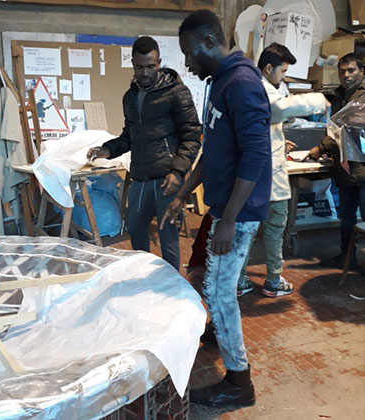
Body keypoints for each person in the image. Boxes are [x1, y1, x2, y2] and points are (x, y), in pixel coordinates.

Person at [161, 10, 272, 408]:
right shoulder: (220, 82)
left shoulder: (242, 83)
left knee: (220, 292)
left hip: (239, 212)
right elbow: (212, 151)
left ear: (209, 42)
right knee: (214, 284)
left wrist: (229, 220)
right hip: (226, 207)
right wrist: (182, 195)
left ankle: (239, 382)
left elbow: (256, 155)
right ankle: (218, 333)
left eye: (189, 53)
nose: (187, 64)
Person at [87, 36, 201, 271]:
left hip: (168, 179)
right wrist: (108, 149)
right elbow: (130, 135)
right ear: (133, 64)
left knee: (168, 237)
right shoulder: (129, 97)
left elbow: (192, 136)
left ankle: (171, 288)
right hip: (140, 177)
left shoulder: (176, 92)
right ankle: (145, 278)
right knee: (136, 228)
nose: (146, 73)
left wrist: (178, 171)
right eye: (140, 67)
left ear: (159, 62)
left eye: (151, 66)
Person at [238, 43, 330, 298]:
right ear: (268, 68)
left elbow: (263, 125)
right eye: (283, 71)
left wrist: (278, 140)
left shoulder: (248, 87)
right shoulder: (265, 90)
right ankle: (273, 281)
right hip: (268, 177)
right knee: (274, 228)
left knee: (247, 231)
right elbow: (279, 110)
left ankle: (240, 279)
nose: (284, 77)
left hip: (254, 174)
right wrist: (317, 100)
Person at [306, 53, 365, 270]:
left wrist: (320, 148)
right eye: (342, 71)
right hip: (347, 168)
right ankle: (347, 258)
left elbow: (348, 127)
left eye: (351, 70)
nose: (346, 75)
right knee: (347, 217)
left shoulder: (362, 97)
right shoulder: (339, 96)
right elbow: (335, 128)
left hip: (363, 168)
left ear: (362, 71)